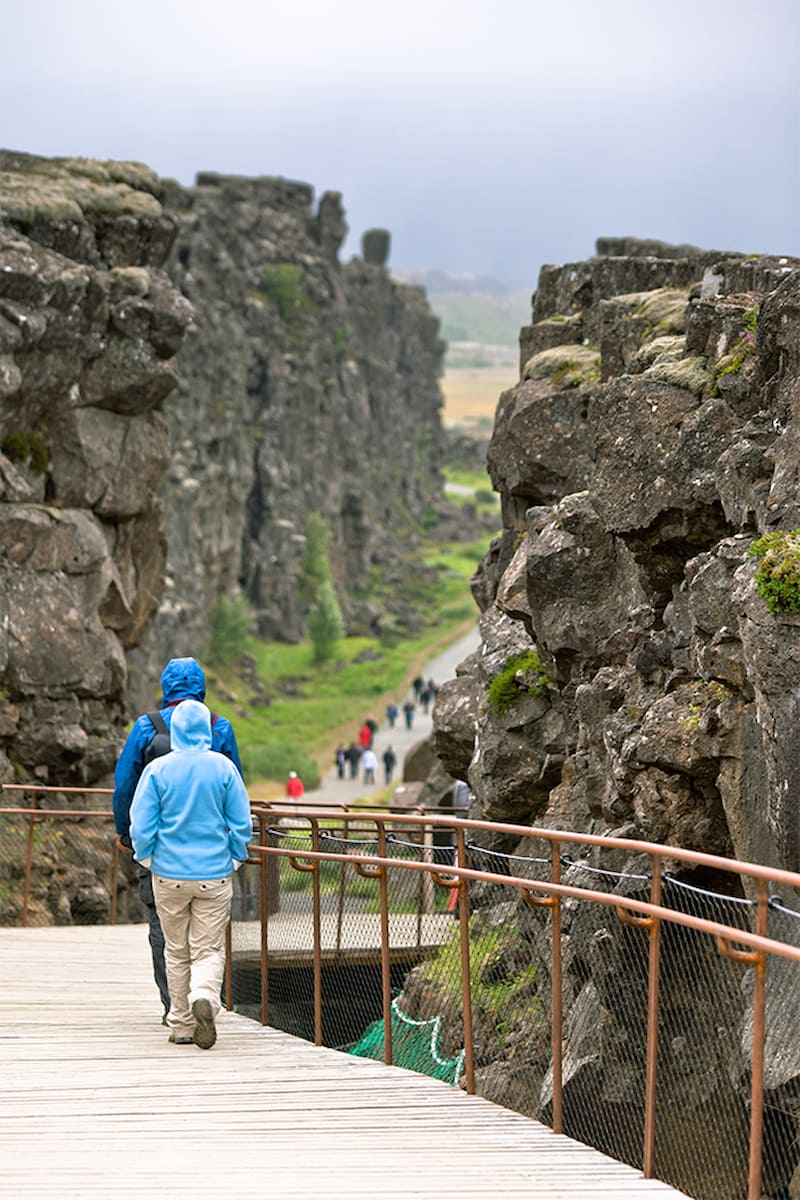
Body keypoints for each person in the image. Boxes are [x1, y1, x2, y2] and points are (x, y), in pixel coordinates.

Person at [112, 656, 243, 1022]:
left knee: (165, 931)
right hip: (212, 857)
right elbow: (236, 792)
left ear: (165, 687)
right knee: (208, 941)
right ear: (202, 689)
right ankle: (205, 997)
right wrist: (235, 852)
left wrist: (128, 835)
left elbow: (125, 785)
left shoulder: (146, 727)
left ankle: (175, 1009)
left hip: (161, 852)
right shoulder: (219, 727)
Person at [130, 699, 253, 1049]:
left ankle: (182, 1024)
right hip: (214, 873)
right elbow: (241, 823)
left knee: (175, 950)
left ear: (175, 731)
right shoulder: (224, 768)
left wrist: (147, 857)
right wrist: (235, 857)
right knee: (208, 949)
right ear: (206, 731)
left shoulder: (157, 770)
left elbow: (141, 824)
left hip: (168, 874)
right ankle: (205, 996)